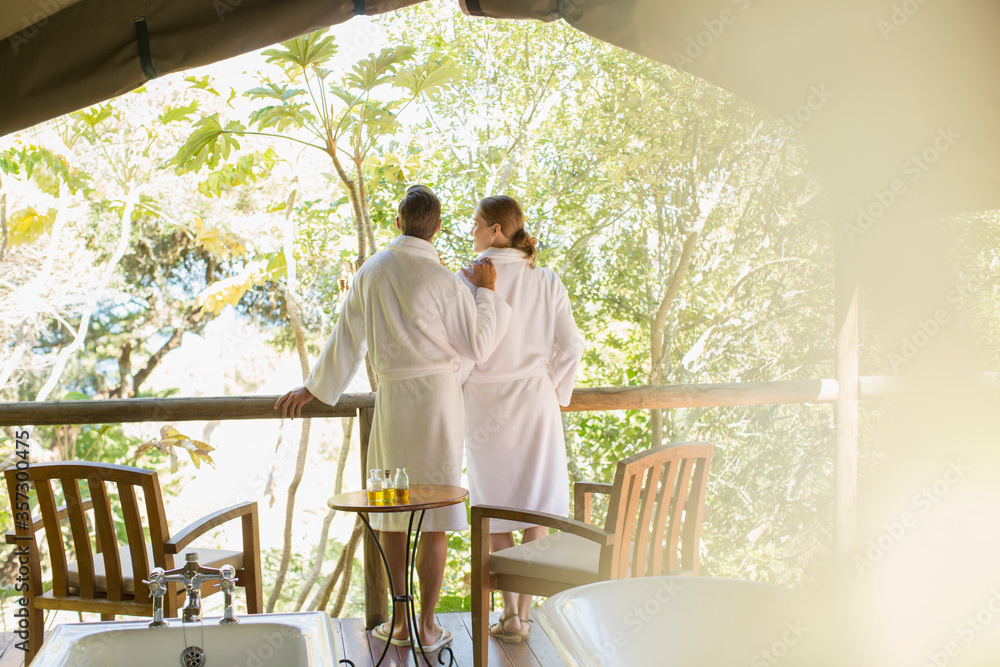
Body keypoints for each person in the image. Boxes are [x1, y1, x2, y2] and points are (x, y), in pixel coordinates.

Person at [275, 185, 511, 651]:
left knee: (391, 511)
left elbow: (348, 336)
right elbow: (479, 346)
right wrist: (485, 294)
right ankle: (427, 627)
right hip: (439, 403)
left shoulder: (373, 271)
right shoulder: (443, 279)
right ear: (437, 226)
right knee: (436, 514)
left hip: (394, 401)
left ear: (399, 222)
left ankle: (400, 625)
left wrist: (314, 387)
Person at [459, 195, 584, 643]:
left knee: (493, 509)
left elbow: (460, 348)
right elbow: (573, 346)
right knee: (535, 507)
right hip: (535, 403)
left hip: (486, 404)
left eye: (475, 223)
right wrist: (551, 388)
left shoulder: (470, 277)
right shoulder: (545, 279)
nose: (470, 231)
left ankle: (509, 612)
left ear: (494, 230)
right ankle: (522, 618)